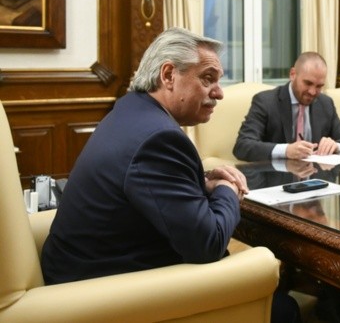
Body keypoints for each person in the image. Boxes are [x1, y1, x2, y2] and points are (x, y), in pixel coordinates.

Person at [39, 28, 299, 322]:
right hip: (96, 293)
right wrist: (227, 187)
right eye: (208, 78)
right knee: (283, 310)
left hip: (77, 271)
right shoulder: (158, 138)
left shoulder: (131, 111)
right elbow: (208, 243)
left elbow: (145, 185)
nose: (219, 92)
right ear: (168, 76)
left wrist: (204, 182)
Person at [234, 52, 340, 161]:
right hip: (277, 179)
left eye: (319, 86)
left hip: (316, 178)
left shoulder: (325, 103)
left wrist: (336, 145)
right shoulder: (265, 102)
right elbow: (242, 146)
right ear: (292, 74)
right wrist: (286, 150)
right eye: (308, 83)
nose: (312, 92)